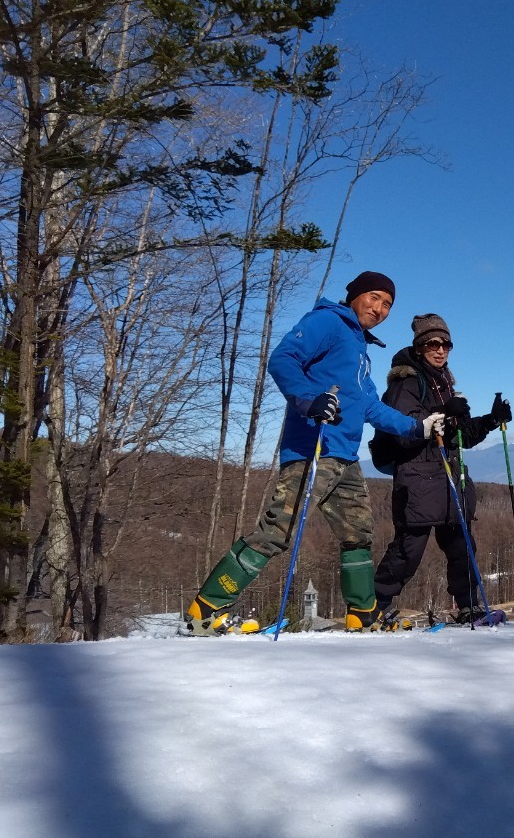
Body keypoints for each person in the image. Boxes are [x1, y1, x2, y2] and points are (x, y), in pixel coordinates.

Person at [183, 272, 446, 636]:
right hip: (313, 449)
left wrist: (418, 428)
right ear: (354, 295)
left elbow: (370, 406)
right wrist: (309, 400)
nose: (380, 308)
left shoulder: (359, 348)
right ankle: (206, 610)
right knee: (277, 530)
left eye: (387, 305)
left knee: (358, 533)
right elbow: (283, 359)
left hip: (344, 457)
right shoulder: (328, 322)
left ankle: (363, 615)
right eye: (374, 298)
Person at [370, 313, 512, 626]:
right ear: (420, 347)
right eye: (433, 344)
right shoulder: (406, 383)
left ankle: (470, 607)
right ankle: (374, 607)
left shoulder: (444, 383)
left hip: (449, 480)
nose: (440, 349)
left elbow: (459, 436)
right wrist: (445, 412)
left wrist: (490, 419)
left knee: (463, 547)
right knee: (407, 551)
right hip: (418, 481)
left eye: (446, 344)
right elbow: (405, 432)